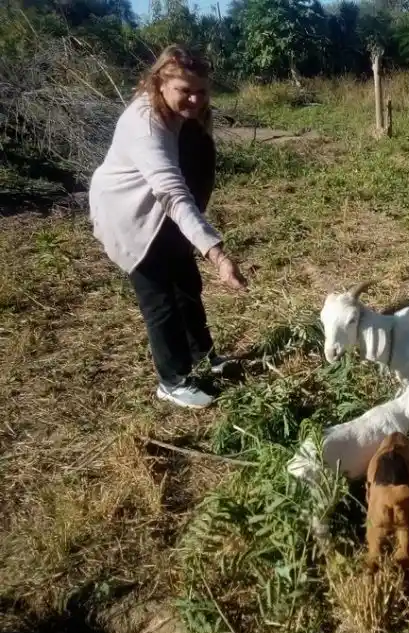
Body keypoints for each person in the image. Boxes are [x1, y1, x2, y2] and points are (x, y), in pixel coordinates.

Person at [88, 44, 247, 409]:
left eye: (201, 91)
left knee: (186, 284)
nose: (194, 99)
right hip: (128, 215)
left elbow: (180, 190)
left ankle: (204, 358)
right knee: (160, 298)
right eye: (184, 90)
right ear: (160, 83)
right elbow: (172, 193)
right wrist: (216, 253)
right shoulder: (145, 124)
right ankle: (172, 380)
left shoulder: (183, 117)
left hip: (164, 211)